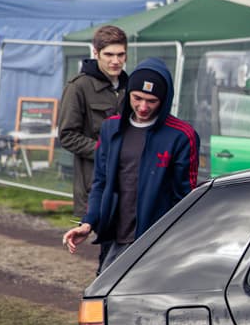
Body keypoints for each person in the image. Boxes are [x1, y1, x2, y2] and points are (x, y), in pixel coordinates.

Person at [63, 58, 199, 273]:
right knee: (104, 290)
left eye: (152, 101)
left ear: (164, 100)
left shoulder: (181, 136)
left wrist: (173, 241)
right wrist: (88, 223)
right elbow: (100, 183)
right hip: (115, 237)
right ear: (128, 94)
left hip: (155, 242)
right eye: (137, 98)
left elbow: (185, 198)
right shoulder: (111, 128)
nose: (143, 107)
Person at [57, 26, 128, 219]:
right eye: (109, 55)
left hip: (128, 182)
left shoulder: (130, 87)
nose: (116, 61)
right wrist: (105, 152)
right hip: (94, 184)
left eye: (120, 54)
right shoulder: (78, 87)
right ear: (96, 53)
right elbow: (67, 135)